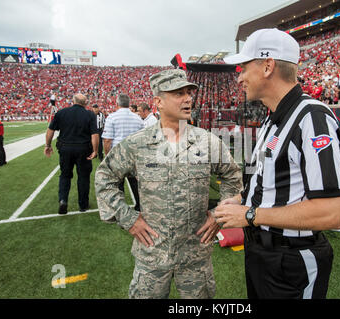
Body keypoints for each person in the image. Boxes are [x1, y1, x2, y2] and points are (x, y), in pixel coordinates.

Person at [218, 28, 340, 299]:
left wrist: (250, 215)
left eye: (243, 68)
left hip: (291, 259)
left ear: (268, 66)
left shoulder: (312, 117)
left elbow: (332, 212)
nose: (239, 77)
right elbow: (271, 179)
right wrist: (240, 199)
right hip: (261, 252)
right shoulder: (272, 118)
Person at [95, 69, 243, 299]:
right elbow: (105, 177)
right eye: (178, 93)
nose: (187, 99)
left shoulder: (207, 141)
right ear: (158, 102)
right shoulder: (138, 144)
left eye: (188, 93)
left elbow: (233, 176)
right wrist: (128, 218)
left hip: (196, 256)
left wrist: (218, 215)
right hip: (152, 254)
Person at [44, 93, 99, 214]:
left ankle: (63, 200)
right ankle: (83, 204)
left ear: (73, 101)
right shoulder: (90, 114)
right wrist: (95, 150)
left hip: (65, 148)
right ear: (85, 103)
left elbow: (50, 130)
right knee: (83, 177)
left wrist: (47, 145)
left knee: (65, 175)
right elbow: (94, 135)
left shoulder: (62, 112)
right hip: (83, 149)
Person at [101, 94, 144, 211]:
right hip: (133, 155)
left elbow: (107, 140)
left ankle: (121, 208)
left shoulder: (112, 117)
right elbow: (142, 139)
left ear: (117, 104)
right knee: (134, 182)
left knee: (118, 184)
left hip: (118, 155)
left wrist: (107, 156)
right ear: (129, 104)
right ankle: (139, 206)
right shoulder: (137, 118)